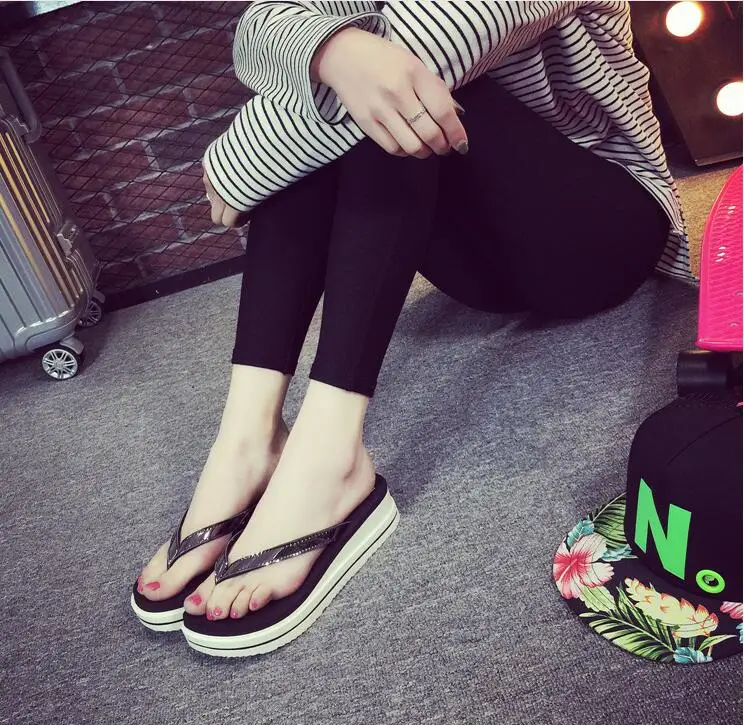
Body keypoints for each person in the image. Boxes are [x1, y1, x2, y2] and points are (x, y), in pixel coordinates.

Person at [131, 1, 693, 654]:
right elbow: (258, 30)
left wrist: (241, 158)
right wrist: (333, 52)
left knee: (398, 86)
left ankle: (331, 457)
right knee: (352, 77)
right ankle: (248, 438)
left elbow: (445, 36)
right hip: (477, 265)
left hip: (600, 234)